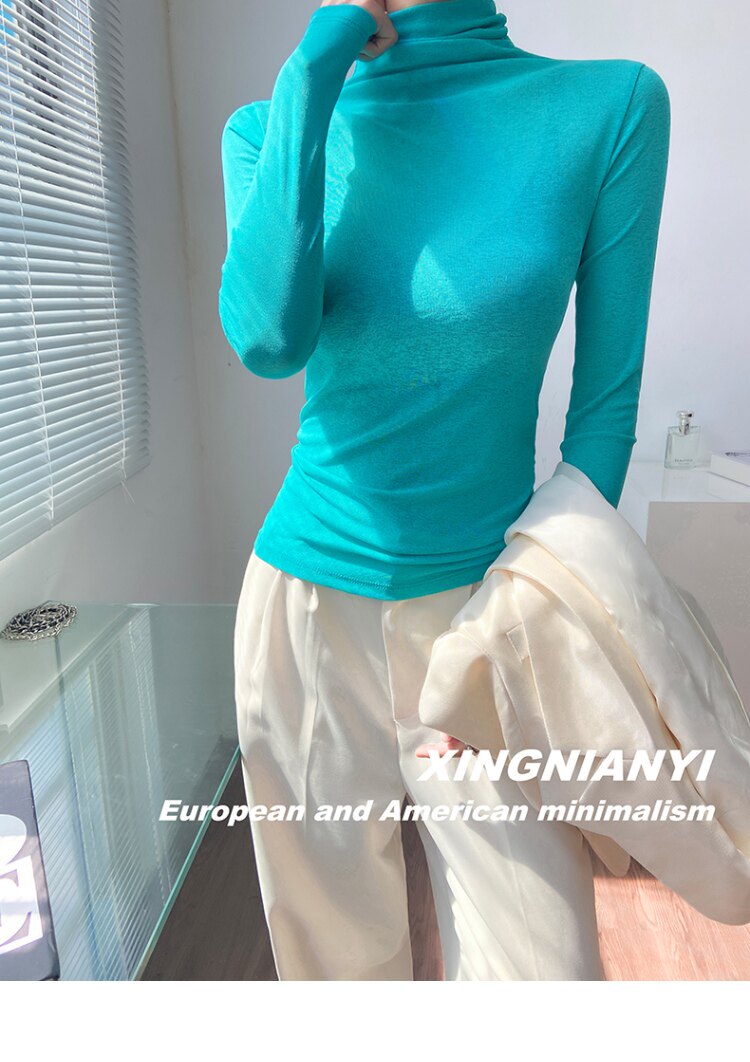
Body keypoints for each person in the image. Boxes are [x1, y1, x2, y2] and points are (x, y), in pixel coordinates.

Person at [219, 0, 670, 980]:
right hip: (304, 618)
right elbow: (267, 340)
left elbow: (605, 408)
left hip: (491, 614)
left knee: (544, 974)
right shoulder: (271, 125)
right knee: (337, 977)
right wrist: (313, 69)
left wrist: (525, 610)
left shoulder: (609, 105)